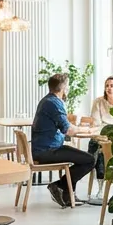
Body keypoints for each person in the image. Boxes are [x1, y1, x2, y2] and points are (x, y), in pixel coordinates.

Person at [32, 72, 97, 208]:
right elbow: (69, 130)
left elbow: (63, 126)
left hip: (43, 149)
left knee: (79, 157)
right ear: (63, 88)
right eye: (67, 86)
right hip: (48, 151)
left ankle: (68, 195)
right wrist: (88, 130)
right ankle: (59, 185)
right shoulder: (54, 103)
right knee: (89, 160)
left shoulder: (47, 100)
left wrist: (77, 127)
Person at [86, 75, 113, 179]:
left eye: (112, 86)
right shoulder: (98, 102)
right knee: (96, 144)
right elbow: (96, 123)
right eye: (107, 86)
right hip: (101, 134)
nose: (109, 88)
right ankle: (101, 176)